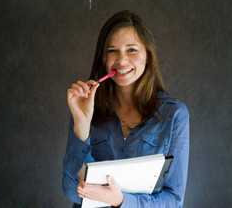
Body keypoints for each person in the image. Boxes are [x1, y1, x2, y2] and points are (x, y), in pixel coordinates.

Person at [62, 10, 189, 207]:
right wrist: (81, 125)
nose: (121, 61)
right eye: (112, 51)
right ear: (103, 59)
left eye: (132, 50)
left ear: (148, 56)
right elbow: (72, 190)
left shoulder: (174, 115)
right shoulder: (85, 108)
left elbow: (173, 200)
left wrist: (120, 201)